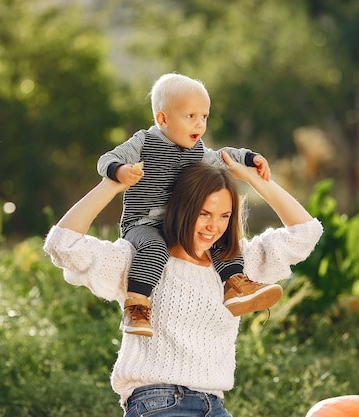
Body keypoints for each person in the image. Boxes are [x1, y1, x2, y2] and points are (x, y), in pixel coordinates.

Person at [43, 153, 323, 416]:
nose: (213, 226)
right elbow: (62, 245)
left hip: (214, 404)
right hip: (159, 403)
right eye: (204, 214)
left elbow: (305, 233)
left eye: (223, 216)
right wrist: (112, 184)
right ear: (181, 208)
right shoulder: (142, 260)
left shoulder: (236, 268)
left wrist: (254, 179)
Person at [97, 72, 281, 337]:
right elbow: (107, 159)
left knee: (219, 236)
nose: (200, 124)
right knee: (154, 249)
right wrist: (120, 171)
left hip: (179, 222)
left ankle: (234, 284)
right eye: (191, 116)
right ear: (163, 119)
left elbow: (220, 157)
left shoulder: (195, 149)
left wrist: (250, 158)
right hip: (143, 222)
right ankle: (136, 306)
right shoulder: (144, 142)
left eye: (204, 116)